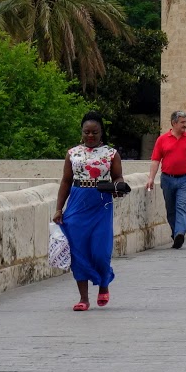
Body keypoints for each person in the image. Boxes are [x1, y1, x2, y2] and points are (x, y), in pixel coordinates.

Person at [53, 112, 124, 310]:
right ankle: (83, 298)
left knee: (100, 251)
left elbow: (118, 177)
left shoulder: (111, 154)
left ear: (102, 133)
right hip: (77, 203)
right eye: (87, 132)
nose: (90, 136)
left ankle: (103, 283)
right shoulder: (72, 154)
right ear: (82, 133)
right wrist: (59, 208)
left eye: (95, 132)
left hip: (101, 203)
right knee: (78, 251)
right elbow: (66, 181)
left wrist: (119, 186)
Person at [146, 110, 186, 249]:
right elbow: (155, 160)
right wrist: (151, 178)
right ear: (174, 123)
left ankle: (180, 233)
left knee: (181, 207)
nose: (185, 125)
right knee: (171, 210)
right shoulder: (162, 139)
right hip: (167, 179)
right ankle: (175, 234)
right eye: (182, 122)